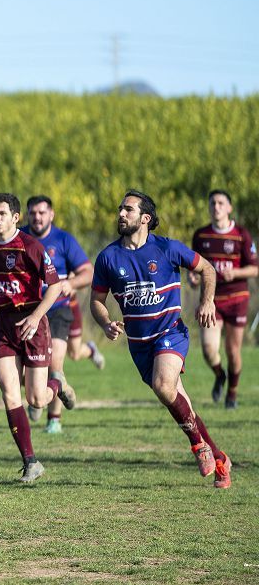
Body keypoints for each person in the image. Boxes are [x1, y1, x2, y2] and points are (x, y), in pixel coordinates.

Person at [92, 189, 231, 488]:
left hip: (170, 333)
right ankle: (220, 458)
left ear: (145, 218)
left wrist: (207, 301)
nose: (120, 214)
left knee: (162, 385)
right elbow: (96, 301)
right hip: (139, 346)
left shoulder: (167, 248)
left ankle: (198, 447)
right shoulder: (107, 257)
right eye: (120, 208)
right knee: (178, 401)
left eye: (127, 209)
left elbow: (207, 269)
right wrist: (105, 322)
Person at [0, 193, 70, 483]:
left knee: (36, 400)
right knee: (9, 391)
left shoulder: (30, 246)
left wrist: (36, 318)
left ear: (15, 218)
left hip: (33, 321)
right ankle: (30, 461)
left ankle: (56, 383)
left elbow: (55, 287)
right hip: (5, 326)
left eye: (1, 213)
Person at [21, 195, 94, 433]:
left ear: (51, 214)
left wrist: (72, 283)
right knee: (22, 372)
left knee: (55, 366)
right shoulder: (19, 237)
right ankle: (40, 393)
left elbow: (87, 272)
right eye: (33, 213)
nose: (37, 217)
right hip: (28, 312)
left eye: (42, 213)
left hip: (58, 310)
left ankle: (54, 420)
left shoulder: (63, 240)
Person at [190, 189, 258, 409]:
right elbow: (195, 268)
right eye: (212, 203)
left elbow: (254, 269)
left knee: (232, 350)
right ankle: (220, 375)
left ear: (229, 208)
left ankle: (232, 395)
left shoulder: (241, 235)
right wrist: (193, 278)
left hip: (237, 299)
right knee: (209, 350)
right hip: (211, 300)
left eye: (221, 203)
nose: (216, 207)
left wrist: (235, 273)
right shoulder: (201, 236)